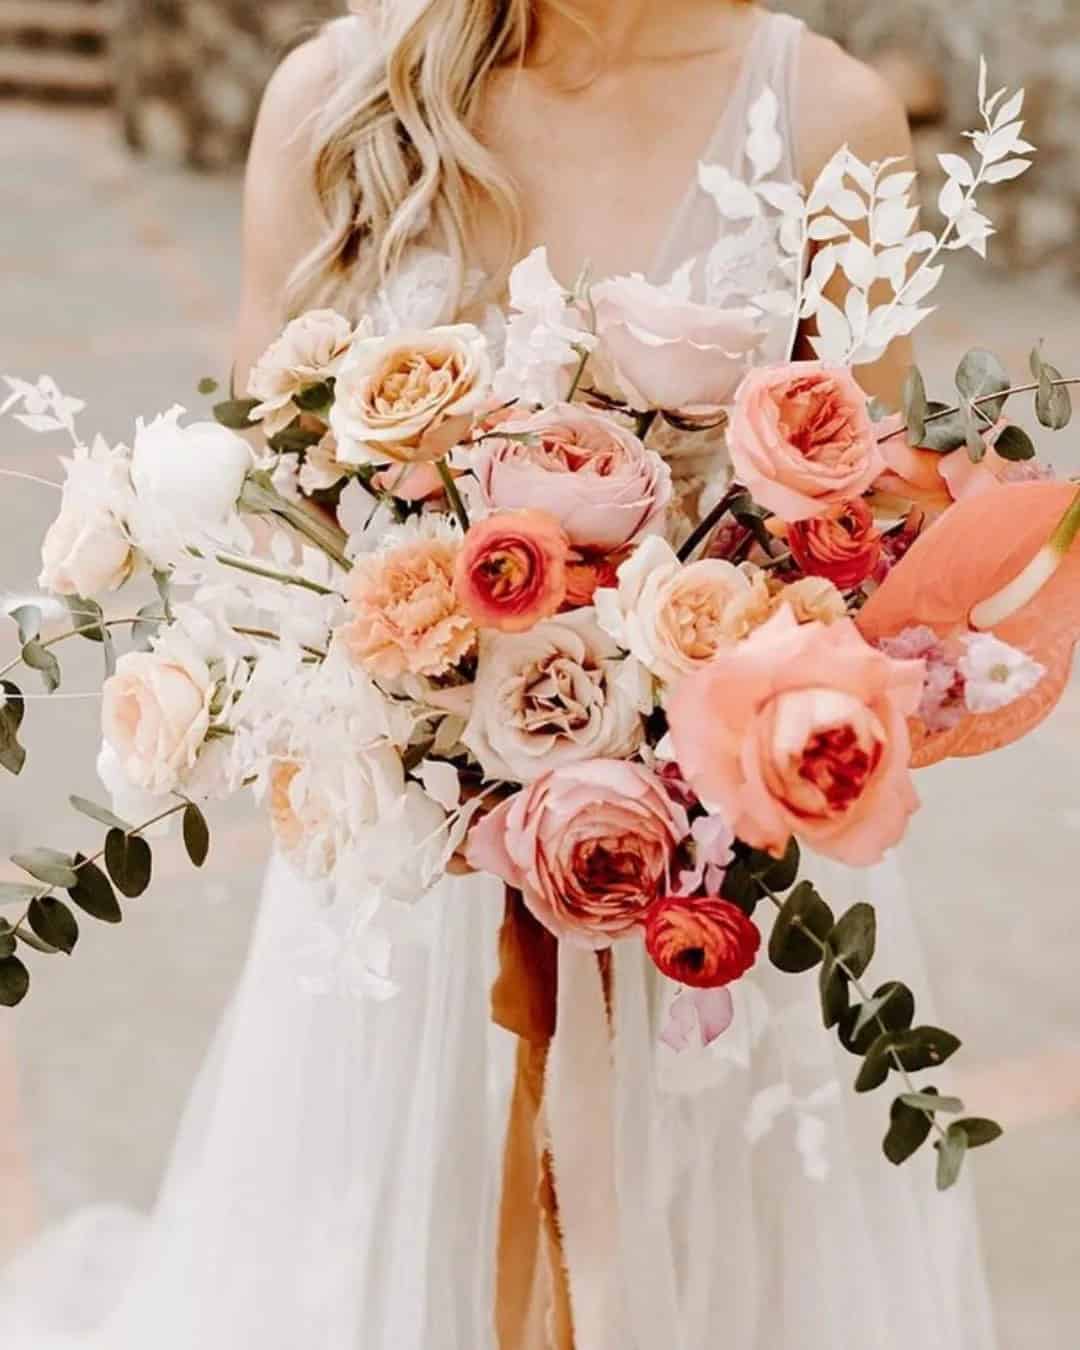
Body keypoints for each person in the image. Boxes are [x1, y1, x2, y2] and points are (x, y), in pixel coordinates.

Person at [1, 3, 997, 1346]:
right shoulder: (336, 107)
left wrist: (679, 706)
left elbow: (871, 549)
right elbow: (259, 537)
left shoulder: (831, 121)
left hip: (697, 912)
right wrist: (423, 714)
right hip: (403, 918)